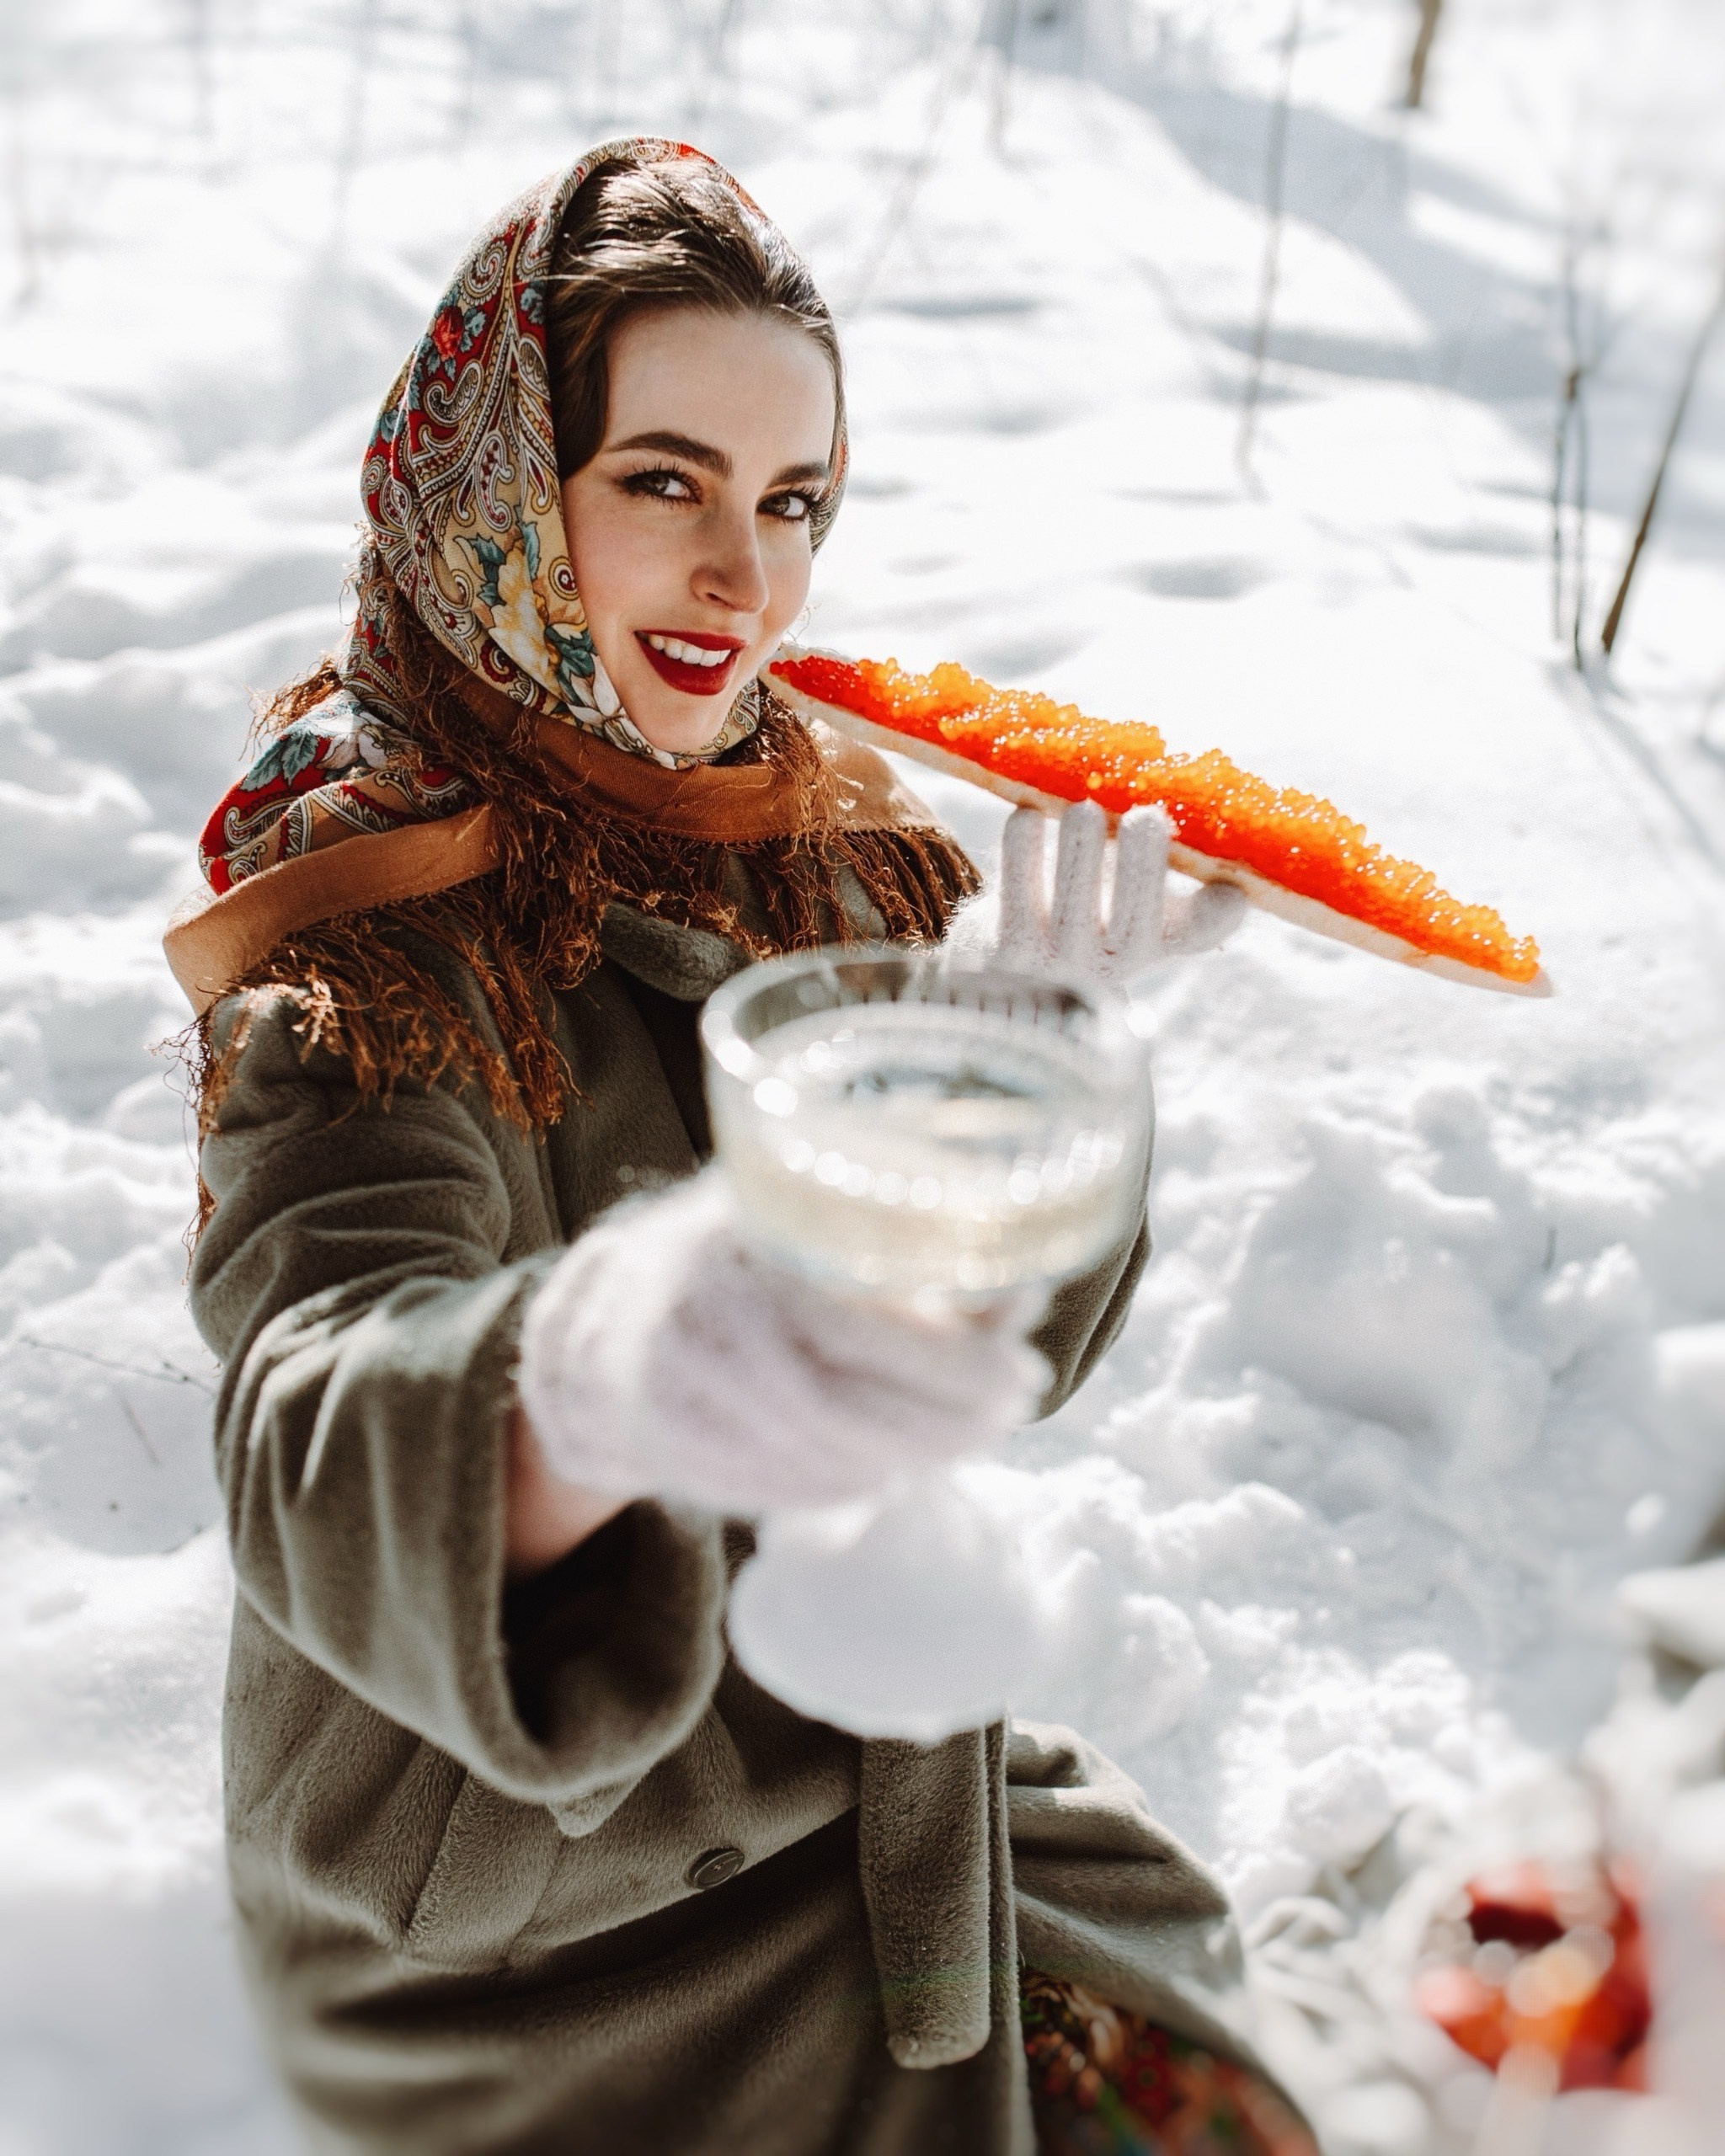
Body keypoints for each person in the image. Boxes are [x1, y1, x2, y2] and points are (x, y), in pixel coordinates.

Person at [170, 138, 1313, 2156]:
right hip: (534, 1922)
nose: (746, 580)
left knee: (1266, 2106)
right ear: (513, 495)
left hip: (869, 1777)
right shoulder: (360, 952)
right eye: (665, 482)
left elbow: (991, 1362)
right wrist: (605, 1373)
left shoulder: (819, 856)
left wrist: (1013, 1106)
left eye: (793, 503)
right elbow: (311, 1431)